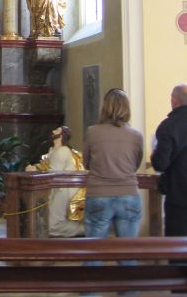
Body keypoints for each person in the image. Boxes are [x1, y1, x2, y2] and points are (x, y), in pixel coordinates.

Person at [83, 88, 143, 244]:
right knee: (128, 252)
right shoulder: (136, 135)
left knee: (93, 252)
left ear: (104, 107)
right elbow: (135, 164)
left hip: (98, 193)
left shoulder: (92, 132)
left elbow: (86, 163)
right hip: (128, 192)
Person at [26, 126, 85, 237]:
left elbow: (52, 174)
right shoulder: (54, 150)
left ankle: (86, 228)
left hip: (63, 190)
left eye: (56, 130)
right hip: (58, 189)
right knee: (51, 223)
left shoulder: (62, 151)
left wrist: (35, 171)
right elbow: (46, 166)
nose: (53, 131)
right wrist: (35, 168)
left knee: (52, 226)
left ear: (62, 135)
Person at [151, 83, 187, 236]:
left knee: (177, 246)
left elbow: (160, 164)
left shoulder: (169, 126)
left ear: (174, 101)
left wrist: (154, 156)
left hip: (178, 197)